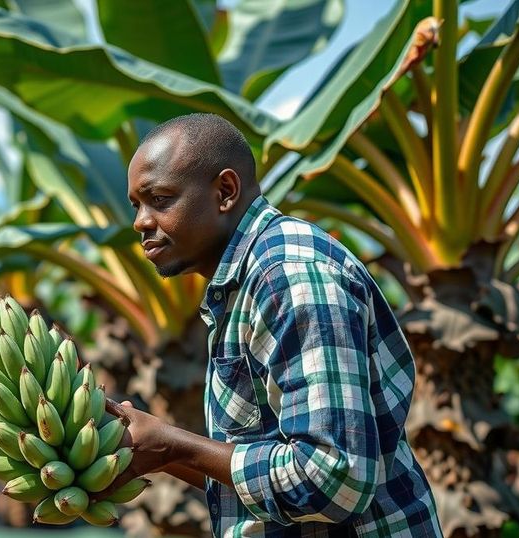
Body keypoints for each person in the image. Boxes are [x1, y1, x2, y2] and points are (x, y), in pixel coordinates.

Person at [99, 113, 443, 537]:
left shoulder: (289, 277)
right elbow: (264, 472)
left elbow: (333, 479)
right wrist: (161, 454)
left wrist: (173, 443)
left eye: (161, 199)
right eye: (137, 205)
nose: (140, 222)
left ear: (225, 191)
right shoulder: (244, 283)